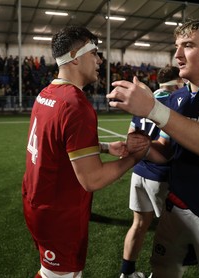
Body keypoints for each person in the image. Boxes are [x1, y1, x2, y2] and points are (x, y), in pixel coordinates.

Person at [107, 18, 199, 278]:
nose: (177, 55)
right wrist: (144, 147)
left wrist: (153, 109)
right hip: (175, 209)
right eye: (177, 46)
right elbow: (166, 152)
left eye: (187, 46)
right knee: (163, 270)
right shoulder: (178, 98)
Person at [21, 26, 150, 278]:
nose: (99, 60)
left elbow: (56, 145)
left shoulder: (46, 94)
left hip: (38, 201)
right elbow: (92, 179)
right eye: (95, 53)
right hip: (59, 212)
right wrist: (134, 157)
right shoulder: (75, 104)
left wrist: (104, 147)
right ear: (76, 56)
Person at [120, 66, 182, 278]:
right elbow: (164, 144)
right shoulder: (172, 102)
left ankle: (126, 273)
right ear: (175, 84)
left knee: (138, 224)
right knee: (170, 234)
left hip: (139, 172)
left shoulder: (143, 101)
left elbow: (130, 136)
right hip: (160, 175)